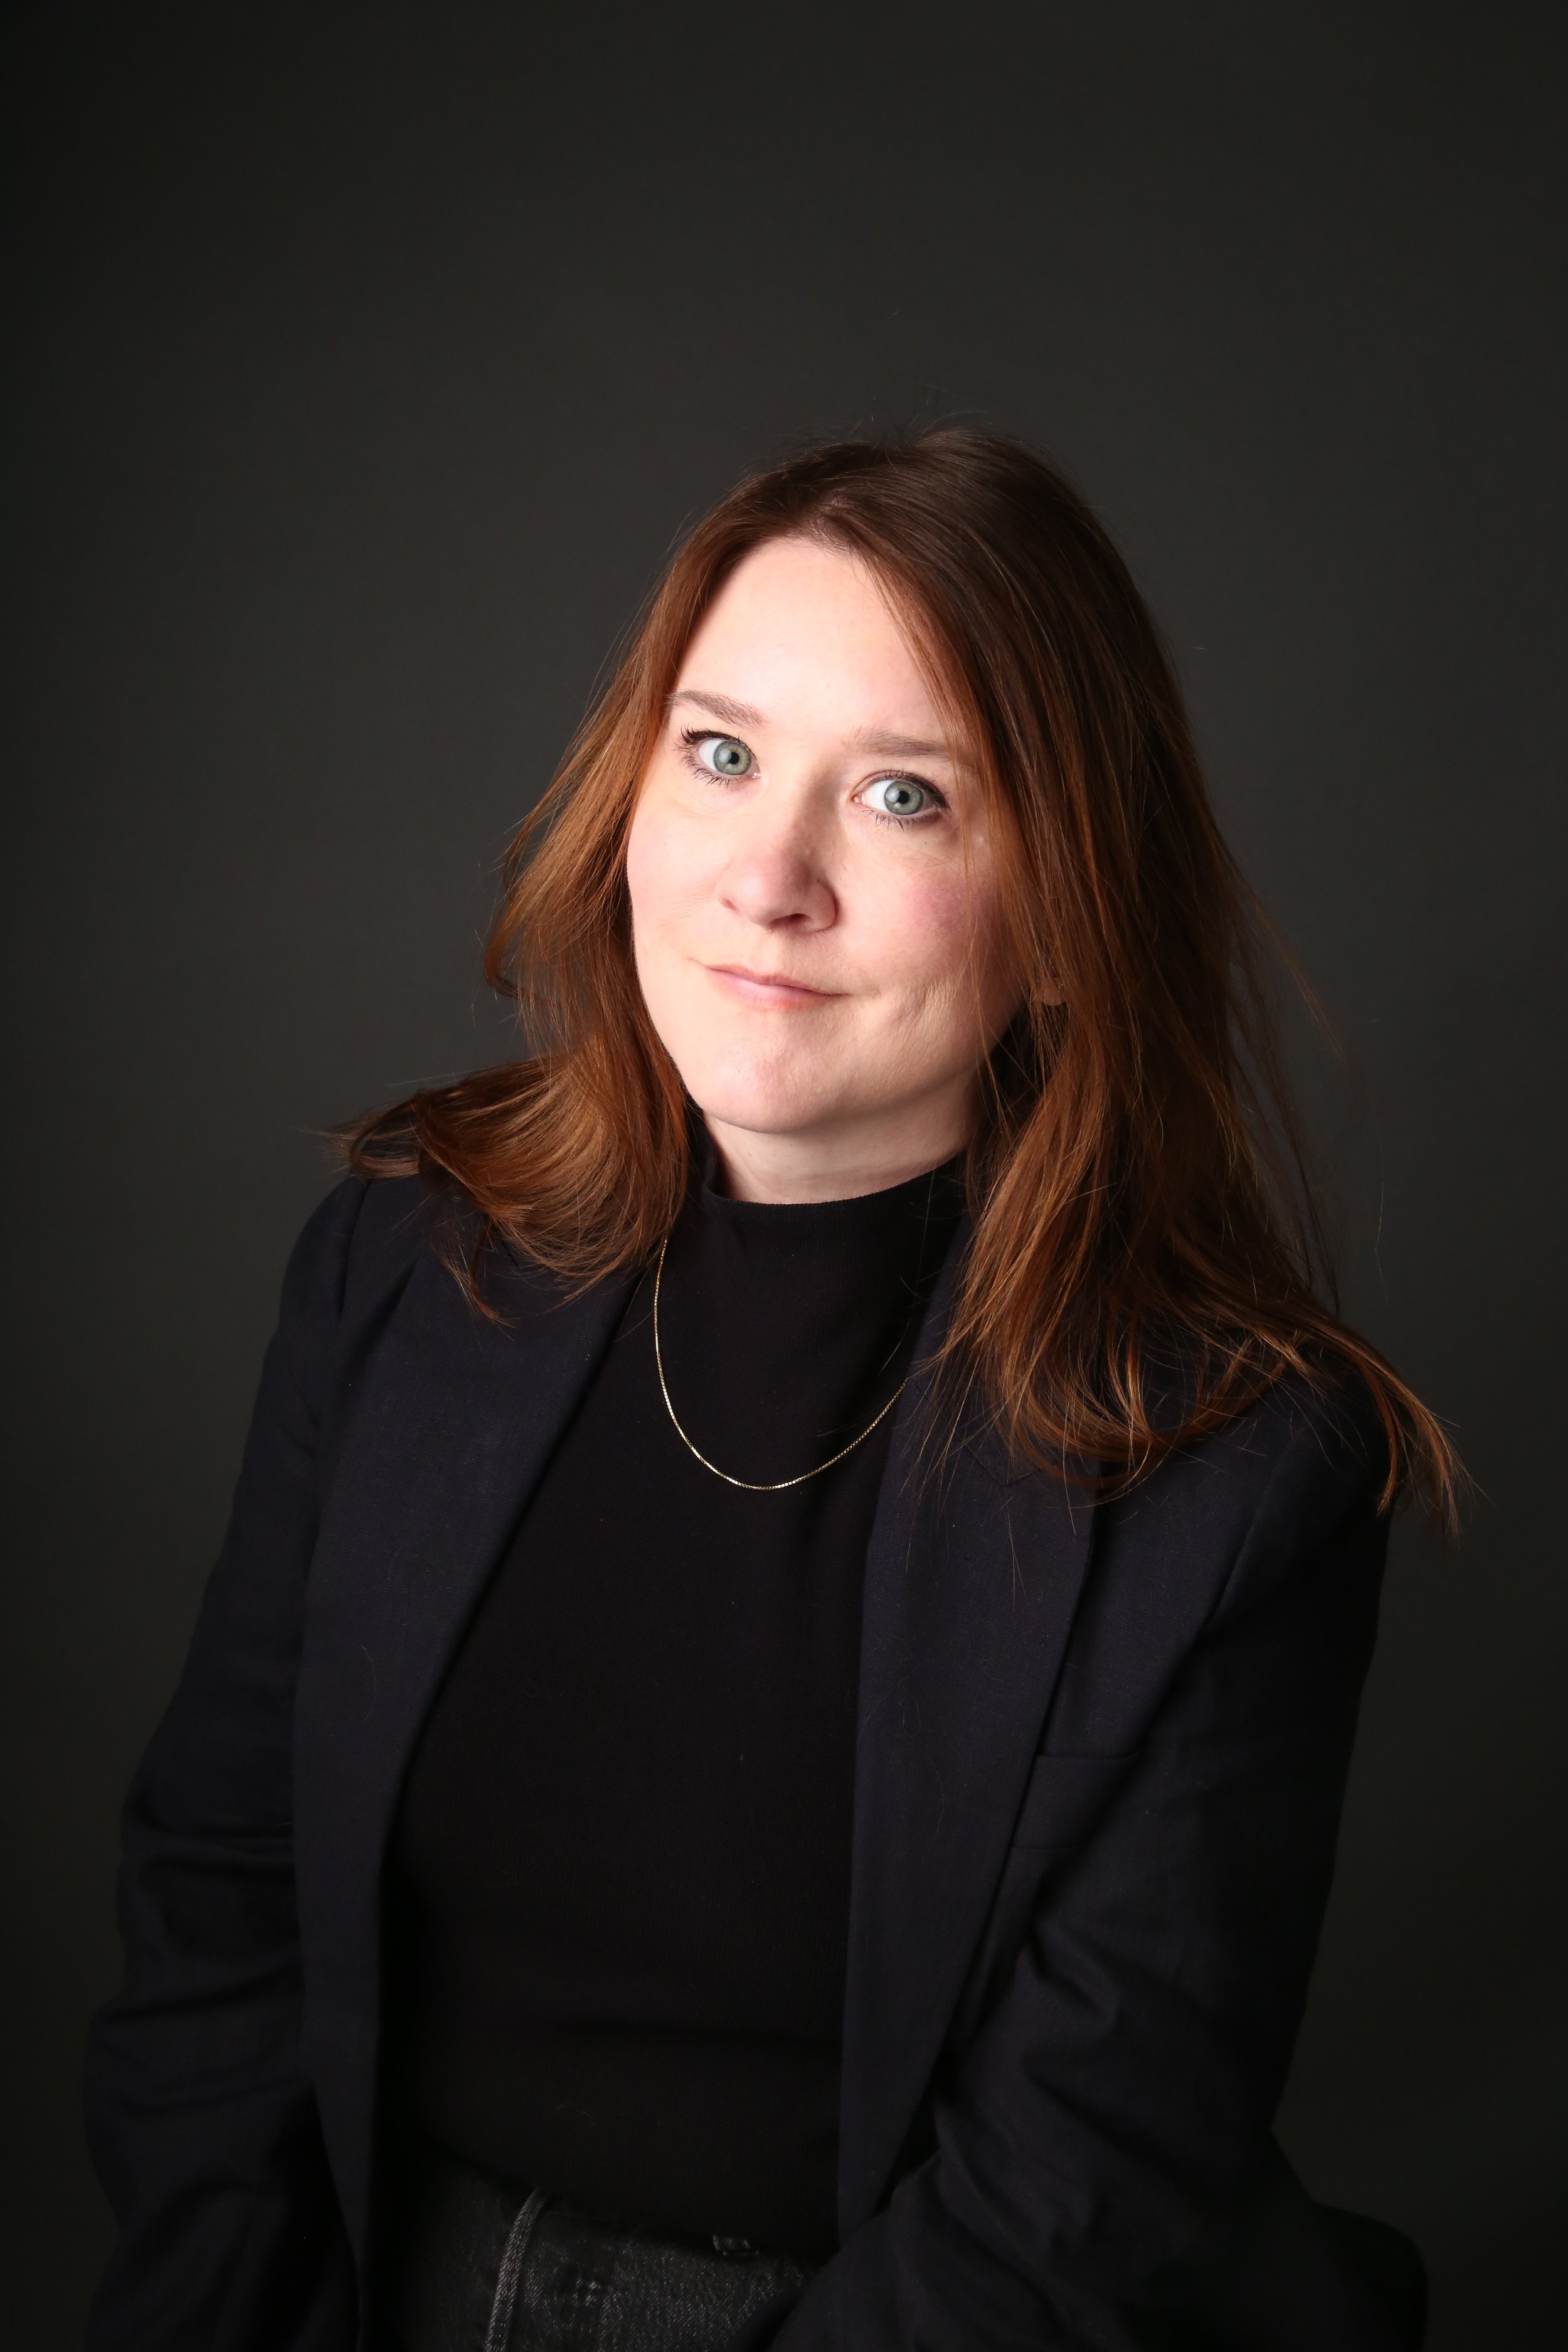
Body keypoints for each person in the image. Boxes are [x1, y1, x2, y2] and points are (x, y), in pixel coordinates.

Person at [84, 430, 1458, 2352]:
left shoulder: (1235, 1466)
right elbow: (220, 1900)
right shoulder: (403, 1263)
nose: (766, 878)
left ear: (1064, 918)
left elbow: (1082, 2173)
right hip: (362, 2276)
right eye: (719, 755)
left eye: (903, 797)